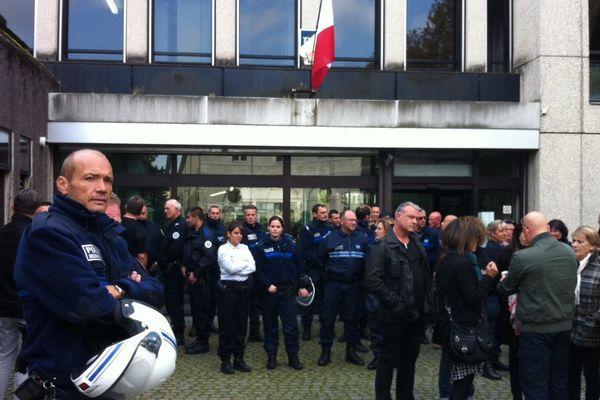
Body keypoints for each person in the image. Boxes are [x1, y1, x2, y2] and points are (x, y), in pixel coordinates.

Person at [13, 149, 163, 398]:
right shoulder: (47, 234)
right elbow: (94, 310)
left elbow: (156, 293)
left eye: (107, 179)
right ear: (63, 184)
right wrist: (128, 288)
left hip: (110, 380)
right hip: (62, 386)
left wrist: (119, 289)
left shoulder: (110, 235)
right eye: (90, 178)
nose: (103, 187)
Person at [497, 211, 578, 399]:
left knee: (535, 384)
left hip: (535, 329)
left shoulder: (523, 257)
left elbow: (505, 289)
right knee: (559, 383)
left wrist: (501, 280)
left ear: (525, 230)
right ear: (548, 228)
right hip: (564, 327)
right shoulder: (568, 252)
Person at [365, 201, 431, 400]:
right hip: (394, 315)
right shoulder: (383, 246)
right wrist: (396, 303)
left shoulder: (416, 242)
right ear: (398, 216)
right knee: (388, 358)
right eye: (411, 217)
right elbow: (372, 280)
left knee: (409, 359)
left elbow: (424, 274)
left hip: (417, 313)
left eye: (417, 218)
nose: (415, 221)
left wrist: (428, 302)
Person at [436, 216, 499, 399]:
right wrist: (489, 277)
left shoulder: (446, 259)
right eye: (476, 239)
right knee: (462, 381)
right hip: (464, 327)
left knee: (459, 379)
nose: (478, 244)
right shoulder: (462, 263)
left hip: (451, 323)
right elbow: (473, 297)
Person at [0, 189, 40, 397]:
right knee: (26, 358)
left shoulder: (3, 232)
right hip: (25, 306)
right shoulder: (30, 235)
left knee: (4, 355)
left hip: (4, 307)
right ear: (35, 211)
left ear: (14, 207)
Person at [317, 210, 370, 367]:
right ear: (341, 221)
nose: (354, 222)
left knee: (353, 319)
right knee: (328, 319)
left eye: (355, 220)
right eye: (350, 220)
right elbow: (320, 261)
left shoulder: (363, 238)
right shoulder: (329, 239)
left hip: (354, 285)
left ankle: (351, 352)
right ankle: (325, 352)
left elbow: (368, 261)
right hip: (333, 285)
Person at [254, 216, 308, 370]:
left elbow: (299, 266)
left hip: (288, 292)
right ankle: (272, 357)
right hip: (270, 292)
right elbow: (257, 269)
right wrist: (267, 285)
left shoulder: (291, 244)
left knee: (291, 327)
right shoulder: (261, 246)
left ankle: (293, 357)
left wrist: (302, 285)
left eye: (278, 226)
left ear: (282, 228)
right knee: (270, 327)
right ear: (268, 228)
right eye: (272, 226)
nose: (275, 229)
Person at [217, 221, 256, 374]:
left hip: (244, 288)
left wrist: (239, 267)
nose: (239, 236)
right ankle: (225, 360)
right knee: (228, 325)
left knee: (241, 325)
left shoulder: (245, 248)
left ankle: (239, 358)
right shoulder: (222, 249)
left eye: (240, 233)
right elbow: (230, 269)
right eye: (235, 233)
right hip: (229, 289)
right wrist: (243, 265)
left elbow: (253, 266)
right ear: (228, 234)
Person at [496, 223, 529, 400]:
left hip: (529, 314)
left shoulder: (535, 254)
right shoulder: (507, 253)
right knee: (514, 354)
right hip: (509, 311)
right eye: (521, 232)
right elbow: (500, 285)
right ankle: (517, 393)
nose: (524, 235)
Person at [568, 225, 600, 400]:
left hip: (593, 333)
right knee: (571, 375)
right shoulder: (571, 264)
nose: (574, 244)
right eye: (573, 240)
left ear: (593, 245)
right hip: (571, 330)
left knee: (592, 376)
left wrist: (592, 323)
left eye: (580, 241)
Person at [182, 206, 218, 355]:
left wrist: (195, 273)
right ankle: (200, 339)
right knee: (197, 309)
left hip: (203, 279)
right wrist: (184, 265)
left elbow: (208, 257)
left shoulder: (206, 234)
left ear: (196, 218)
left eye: (189, 217)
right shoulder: (194, 232)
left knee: (202, 310)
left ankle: (203, 342)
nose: (187, 220)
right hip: (193, 278)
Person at [299, 203, 332, 340]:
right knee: (309, 302)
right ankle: (306, 329)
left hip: (328, 271)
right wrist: (321, 263)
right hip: (313, 270)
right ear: (315, 214)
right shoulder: (307, 230)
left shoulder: (330, 229)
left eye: (326, 212)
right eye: (322, 212)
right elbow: (306, 251)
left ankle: (327, 328)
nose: (325, 214)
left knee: (327, 301)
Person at [366, 217, 394, 370]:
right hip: (374, 295)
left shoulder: (394, 248)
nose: (375, 231)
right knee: (376, 329)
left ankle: (390, 357)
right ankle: (378, 357)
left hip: (388, 295)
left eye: (379, 229)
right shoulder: (373, 247)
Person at [159, 198, 188, 345]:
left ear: (177, 210)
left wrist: (162, 260)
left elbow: (175, 249)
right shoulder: (171, 225)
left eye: (167, 208)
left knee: (175, 302)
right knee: (170, 301)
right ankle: (176, 326)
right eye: (165, 208)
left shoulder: (181, 225)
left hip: (174, 269)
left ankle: (179, 331)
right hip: (168, 270)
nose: (165, 211)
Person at [242, 204, 267, 342]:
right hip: (245, 273)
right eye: (248, 215)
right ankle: (241, 333)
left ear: (256, 215)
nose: (251, 217)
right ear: (244, 216)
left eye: (253, 214)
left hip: (259, 273)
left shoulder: (262, 230)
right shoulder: (240, 230)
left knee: (256, 305)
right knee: (244, 304)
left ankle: (255, 333)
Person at [120, 195, 148, 267]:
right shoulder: (140, 229)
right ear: (140, 210)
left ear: (127, 207)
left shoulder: (117, 224)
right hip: (132, 269)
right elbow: (142, 256)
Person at [139, 204, 164, 275]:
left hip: (152, 268)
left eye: (143, 213)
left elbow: (162, 245)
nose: (141, 216)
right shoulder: (133, 227)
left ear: (147, 213)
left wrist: (157, 262)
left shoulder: (155, 228)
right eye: (139, 213)